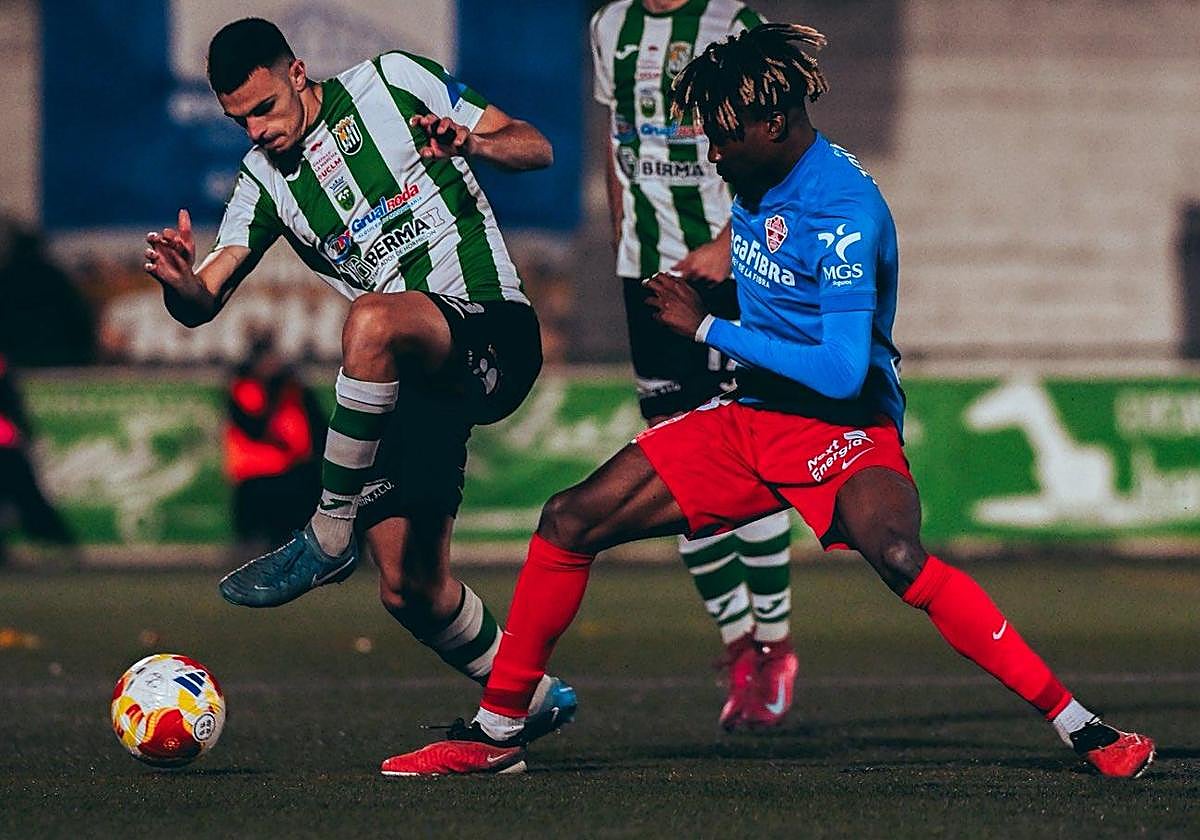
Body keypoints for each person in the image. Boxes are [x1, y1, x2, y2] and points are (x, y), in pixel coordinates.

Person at [381, 24, 1156, 778]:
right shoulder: (760, 172)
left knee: (897, 556)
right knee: (568, 519)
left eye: (724, 138)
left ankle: (1083, 727)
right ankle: (497, 732)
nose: (713, 154)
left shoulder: (844, 216)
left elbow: (841, 372)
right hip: (750, 421)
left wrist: (706, 323)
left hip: (845, 431)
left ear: (776, 122)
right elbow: (761, 238)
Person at [143, 17, 575, 737]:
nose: (254, 130)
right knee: (410, 589)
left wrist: (471, 142)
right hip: (412, 382)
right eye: (237, 119)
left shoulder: (394, 82)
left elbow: (536, 146)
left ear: (299, 73)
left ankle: (327, 530)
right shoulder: (263, 184)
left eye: (264, 109)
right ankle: (529, 699)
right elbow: (202, 300)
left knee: (370, 319)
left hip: (490, 329)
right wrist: (178, 281)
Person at [591, 0, 797, 730]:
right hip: (647, 274)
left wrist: (730, 241)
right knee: (676, 463)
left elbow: (782, 151)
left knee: (751, 454)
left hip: (732, 269)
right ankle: (738, 640)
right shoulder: (610, 25)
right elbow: (618, 145)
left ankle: (775, 642)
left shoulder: (736, 23)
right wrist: (624, 237)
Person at [225, 333, 326, 548]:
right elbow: (254, 426)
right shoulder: (245, 388)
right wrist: (272, 387)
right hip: (256, 477)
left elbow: (318, 426)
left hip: (295, 473)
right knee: (256, 544)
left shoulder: (294, 388)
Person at [0, 353, 76, 567]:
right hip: (7, 441)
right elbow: (11, 398)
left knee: (26, 496)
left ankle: (57, 541)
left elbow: (9, 398)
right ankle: (57, 540)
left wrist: (23, 429)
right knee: (26, 496)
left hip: (5, 442)